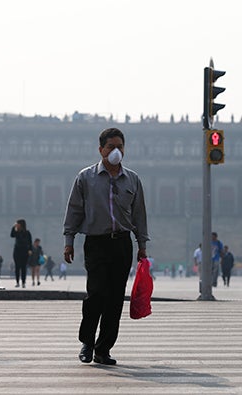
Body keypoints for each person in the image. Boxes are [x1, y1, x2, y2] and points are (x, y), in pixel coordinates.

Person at [63, 127, 149, 366]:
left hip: (122, 244)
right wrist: (69, 241)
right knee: (96, 294)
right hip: (96, 243)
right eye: (110, 146)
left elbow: (140, 214)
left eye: (120, 146)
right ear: (100, 150)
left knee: (114, 299)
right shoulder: (85, 177)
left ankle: (104, 349)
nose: (116, 151)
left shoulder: (132, 179)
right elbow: (74, 210)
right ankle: (87, 342)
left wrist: (142, 245)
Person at [10, 219, 32, 288]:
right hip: (17, 251)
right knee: (17, 267)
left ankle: (23, 282)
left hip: (25, 251)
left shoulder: (27, 232)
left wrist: (30, 250)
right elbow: (12, 235)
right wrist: (13, 227)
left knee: (23, 267)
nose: (17, 225)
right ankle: (17, 282)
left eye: (18, 223)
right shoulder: (16, 232)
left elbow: (30, 242)